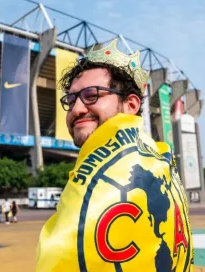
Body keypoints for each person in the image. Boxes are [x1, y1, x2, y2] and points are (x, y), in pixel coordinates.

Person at [36, 40, 193, 271]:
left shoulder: (111, 182)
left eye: (92, 95)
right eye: (71, 100)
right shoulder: (161, 164)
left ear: (130, 104)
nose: (76, 109)